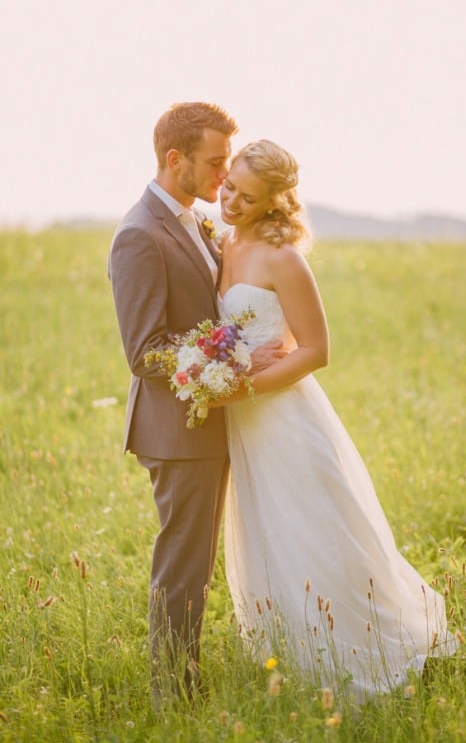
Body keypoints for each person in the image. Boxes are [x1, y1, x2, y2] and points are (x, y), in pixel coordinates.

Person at [215, 139, 457, 700]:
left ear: (276, 202)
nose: (230, 201)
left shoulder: (284, 259)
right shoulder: (221, 241)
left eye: (246, 197)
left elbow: (315, 350)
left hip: (283, 418)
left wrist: (246, 382)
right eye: (228, 186)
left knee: (314, 531)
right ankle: (293, 653)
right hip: (243, 424)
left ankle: (360, 650)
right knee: (267, 531)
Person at [107, 104, 283, 704]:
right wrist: (228, 368)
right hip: (176, 432)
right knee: (183, 567)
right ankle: (173, 695)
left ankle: (184, 683)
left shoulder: (195, 222)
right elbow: (145, 350)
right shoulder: (139, 234)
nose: (222, 176)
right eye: (213, 163)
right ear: (174, 158)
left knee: (195, 566)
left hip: (208, 423)